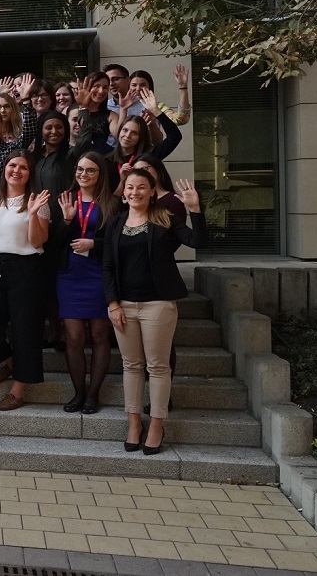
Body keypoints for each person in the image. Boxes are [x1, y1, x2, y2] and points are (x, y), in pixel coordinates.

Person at [103, 171, 206, 454]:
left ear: (151, 191)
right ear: (124, 191)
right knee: (131, 365)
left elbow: (198, 242)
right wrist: (112, 304)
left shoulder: (164, 218)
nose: (134, 192)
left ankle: (157, 425)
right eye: (130, 187)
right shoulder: (115, 223)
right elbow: (107, 266)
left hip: (158, 305)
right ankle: (134, 424)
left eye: (141, 187)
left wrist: (195, 210)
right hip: (123, 306)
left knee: (158, 367)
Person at [0, 151, 52, 412]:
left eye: (23, 167)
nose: (17, 171)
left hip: (26, 269)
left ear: (30, 173)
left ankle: (17, 391)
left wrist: (33, 213)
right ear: (4, 168)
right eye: (12, 165)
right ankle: (11, 363)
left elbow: (37, 242)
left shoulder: (38, 201)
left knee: (25, 331)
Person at [53, 152, 118, 414]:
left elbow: (117, 243)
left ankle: (93, 395)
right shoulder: (65, 199)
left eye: (90, 170)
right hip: (69, 275)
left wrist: (94, 243)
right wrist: (67, 220)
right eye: (80, 169)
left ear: (100, 174)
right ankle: (78, 392)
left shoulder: (112, 203)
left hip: (98, 275)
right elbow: (53, 242)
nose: (83, 174)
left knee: (100, 335)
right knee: (74, 337)